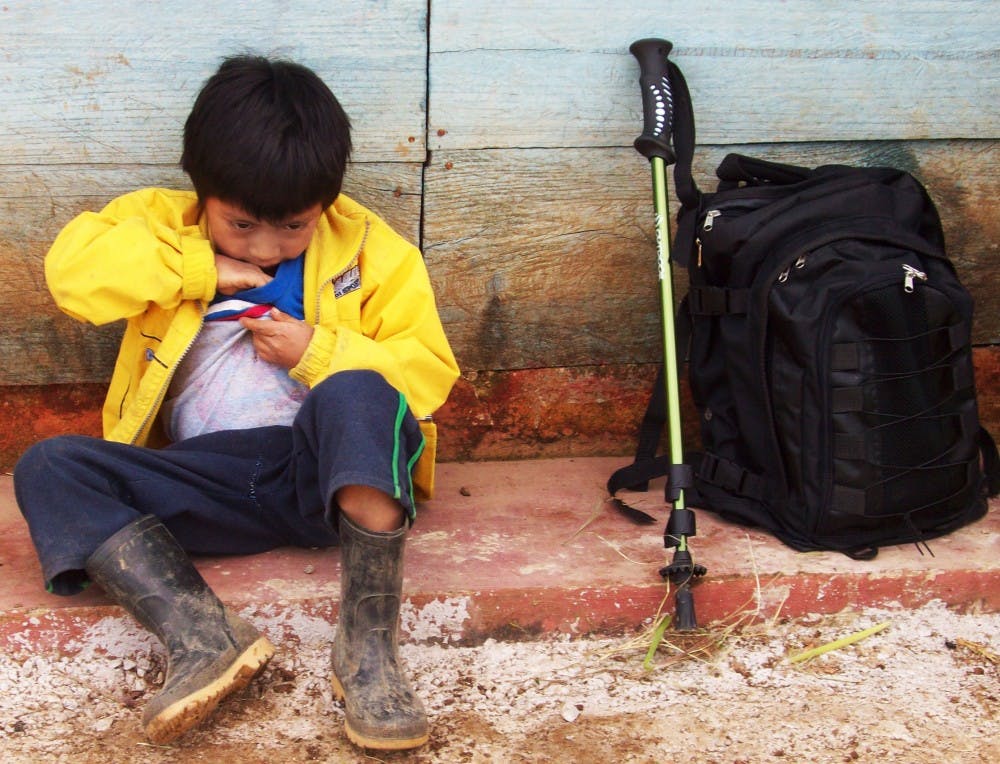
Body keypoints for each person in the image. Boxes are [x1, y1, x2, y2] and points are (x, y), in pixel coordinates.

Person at [13, 55, 459, 752]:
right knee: (47, 466)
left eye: (292, 227)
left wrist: (317, 350)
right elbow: (72, 273)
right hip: (207, 479)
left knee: (359, 389)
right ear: (202, 190)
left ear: (327, 204)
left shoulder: (372, 250)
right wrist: (199, 266)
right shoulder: (162, 225)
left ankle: (368, 655)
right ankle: (203, 637)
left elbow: (428, 374)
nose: (268, 245)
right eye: (242, 225)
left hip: (329, 478)